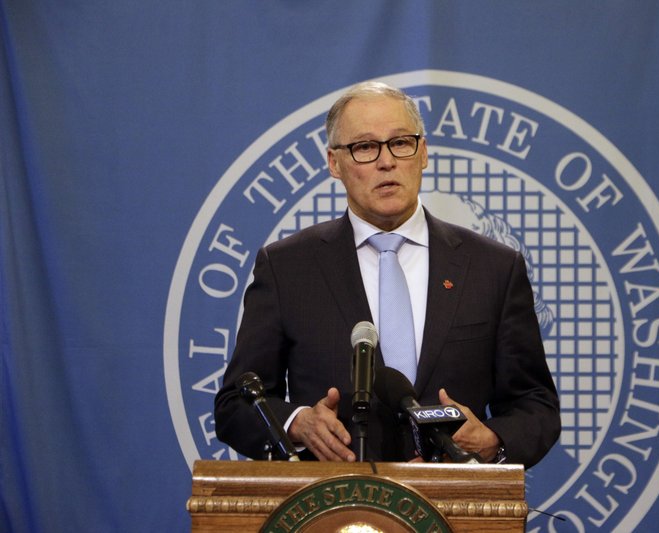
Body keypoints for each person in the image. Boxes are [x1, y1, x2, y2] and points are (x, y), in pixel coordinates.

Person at [214, 81, 560, 468]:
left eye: (400, 143)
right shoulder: (287, 267)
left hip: (455, 509)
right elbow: (236, 405)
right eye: (364, 147)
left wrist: (493, 439)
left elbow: (536, 406)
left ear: (423, 152)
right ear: (334, 163)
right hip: (335, 508)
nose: (386, 161)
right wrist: (297, 423)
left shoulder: (493, 267)